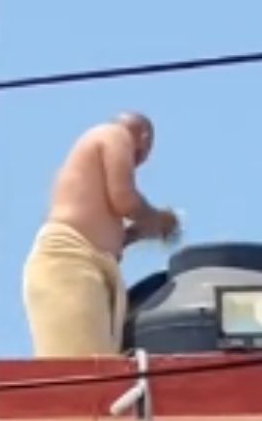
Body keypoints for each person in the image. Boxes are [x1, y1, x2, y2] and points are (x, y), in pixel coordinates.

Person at [23, 112, 182, 358]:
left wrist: (139, 232)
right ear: (145, 137)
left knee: (102, 368)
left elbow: (114, 228)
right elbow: (125, 200)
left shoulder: (91, 168)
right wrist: (158, 218)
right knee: (83, 371)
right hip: (69, 261)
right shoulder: (115, 135)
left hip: (85, 263)